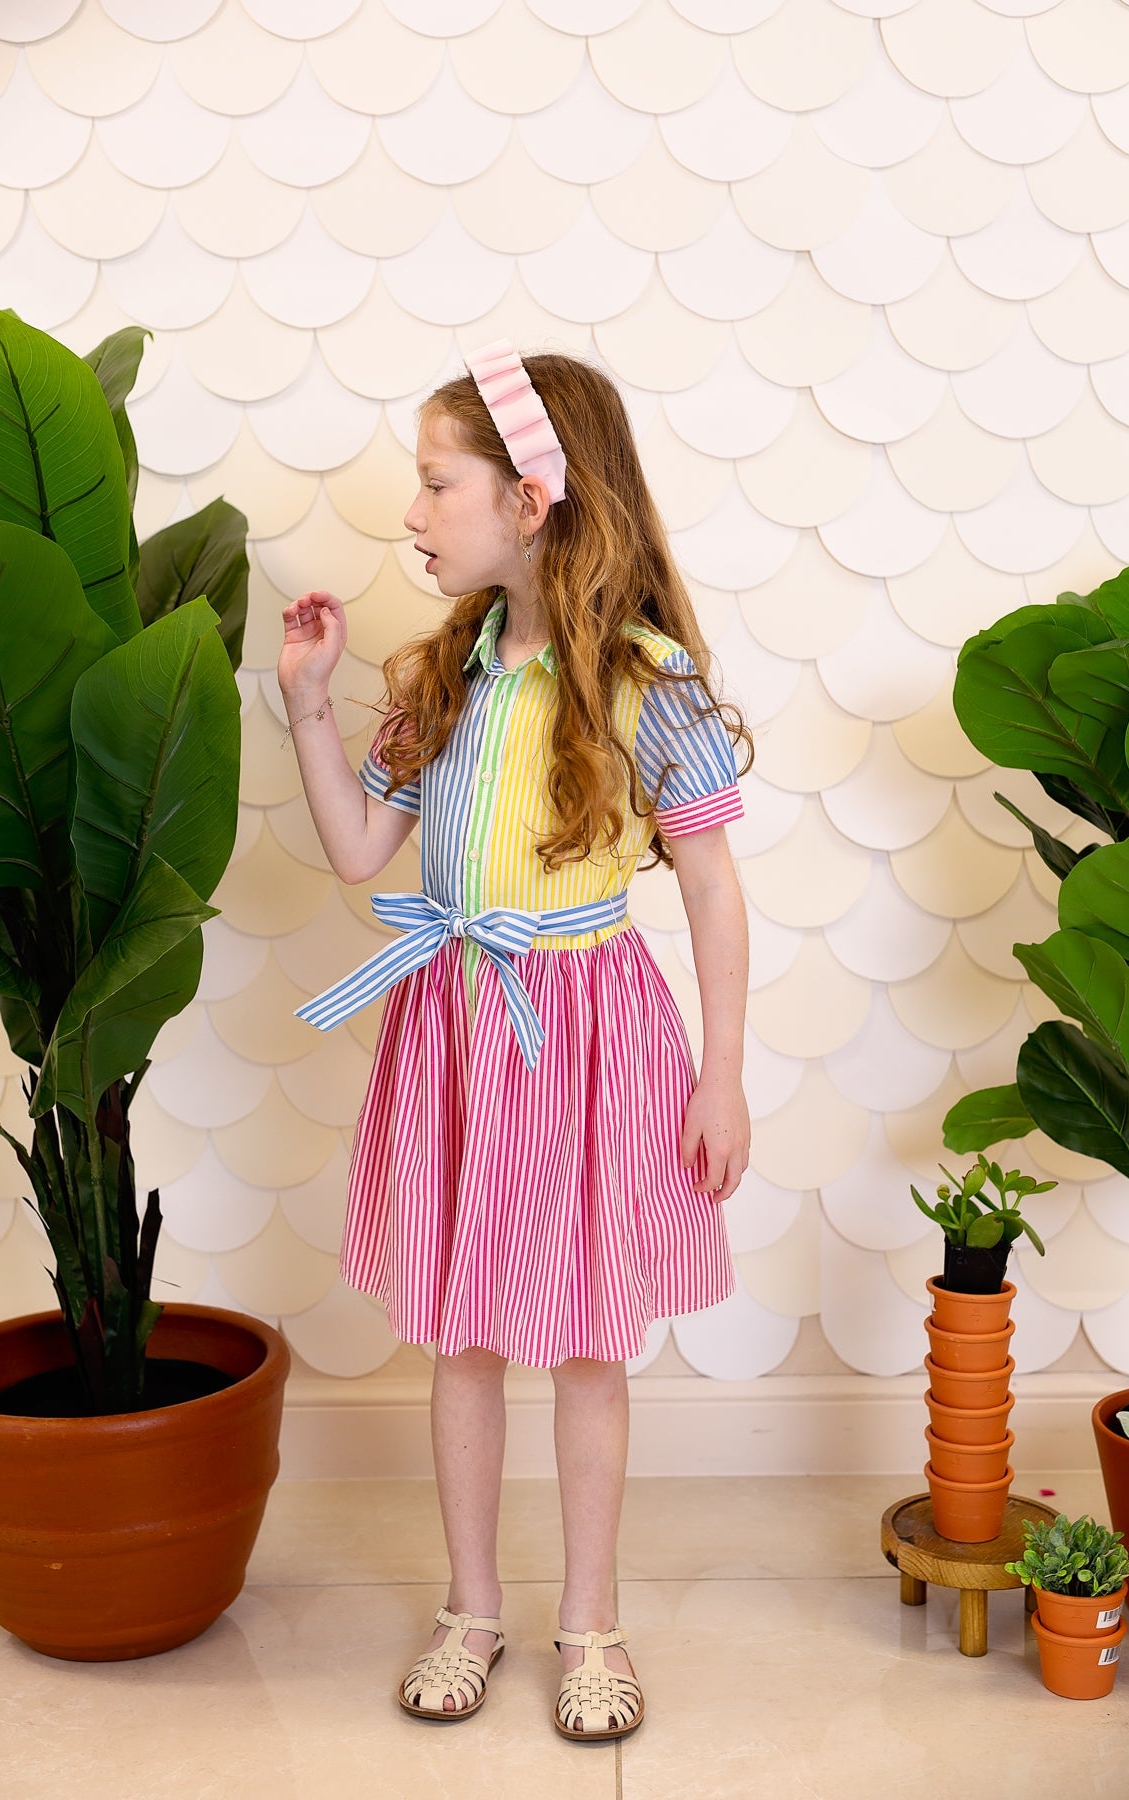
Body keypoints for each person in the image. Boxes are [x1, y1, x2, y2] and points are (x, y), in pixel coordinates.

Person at [278, 341, 753, 1741]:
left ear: (532, 498)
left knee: (588, 1340)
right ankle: (471, 1606)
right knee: (467, 1337)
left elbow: (713, 888)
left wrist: (723, 1075)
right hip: (455, 1028)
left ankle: (589, 1621)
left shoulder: (646, 682)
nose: (413, 514)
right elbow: (362, 849)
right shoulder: (440, 675)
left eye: (438, 484)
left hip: (589, 1036)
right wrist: (307, 702)